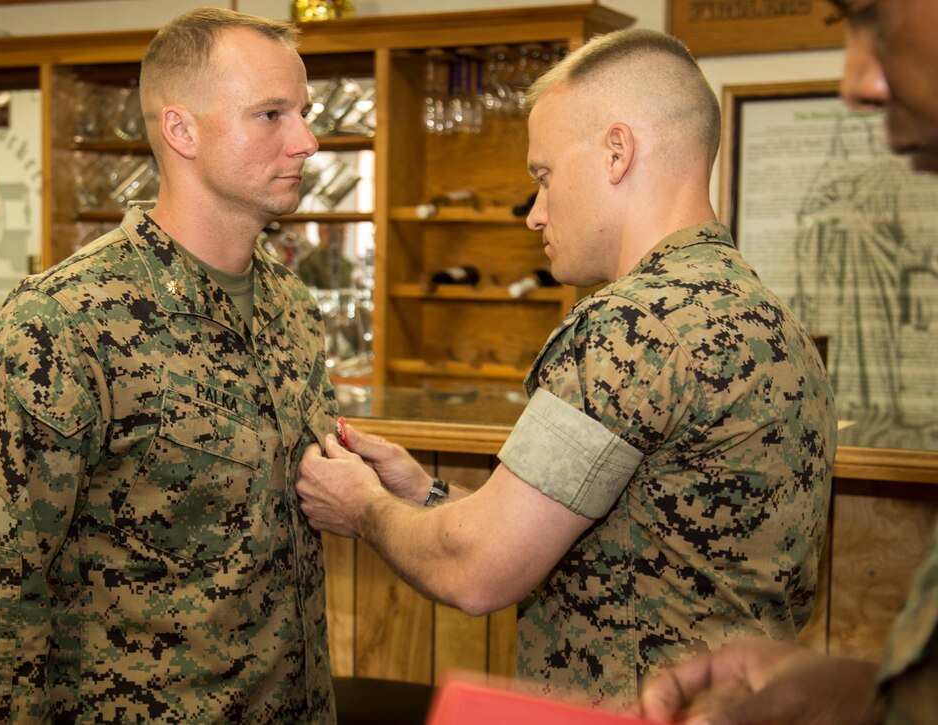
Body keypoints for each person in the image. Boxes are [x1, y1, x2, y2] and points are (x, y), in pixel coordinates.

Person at [296, 28, 835, 710]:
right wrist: (419, 493)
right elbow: (628, 550)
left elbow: (478, 569)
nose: (535, 213)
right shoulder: (770, 319)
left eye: (544, 176)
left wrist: (363, 507)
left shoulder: (634, 326)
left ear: (617, 152)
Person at [0, 9, 339, 722]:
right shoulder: (63, 322)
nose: (305, 140)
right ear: (182, 131)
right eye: (271, 114)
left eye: (304, 112)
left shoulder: (290, 305)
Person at [634, 1, 938, 722]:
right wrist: (869, 697)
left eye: (875, 15)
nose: (857, 82)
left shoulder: (629, 320)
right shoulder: (758, 300)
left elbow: (485, 566)